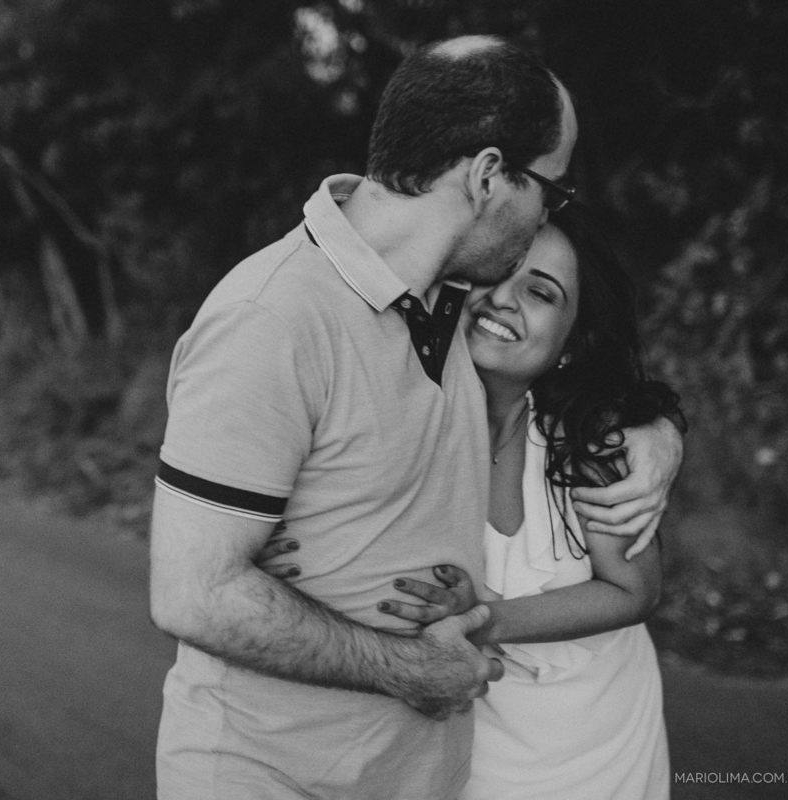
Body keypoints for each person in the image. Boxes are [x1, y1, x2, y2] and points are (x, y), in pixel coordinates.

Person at [149, 35, 683, 799]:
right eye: (549, 192)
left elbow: (588, 374)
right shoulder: (273, 318)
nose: (543, 223)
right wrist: (409, 666)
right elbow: (192, 592)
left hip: (422, 776)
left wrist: (660, 434)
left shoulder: (452, 303)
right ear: (490, 175)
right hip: (273, 777)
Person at [265, 210, 682, 798]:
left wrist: (481, 617)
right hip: (475, 741)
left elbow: (635, 589)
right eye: (502, 273)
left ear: (569, 344)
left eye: (540, 293)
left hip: (603, 738)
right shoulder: (388, 421)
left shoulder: (589, 436)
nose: (504, 300)